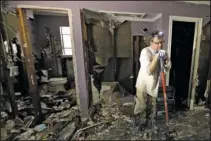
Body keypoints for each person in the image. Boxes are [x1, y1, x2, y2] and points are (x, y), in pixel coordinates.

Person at [133, 31, 171, 131]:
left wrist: (166, 60)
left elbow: (167, 67)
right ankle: (139, 126)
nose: (160, 45)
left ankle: (150, 125)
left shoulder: (163, 52)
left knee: (152, 107)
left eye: (161, 42)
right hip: (143, 85)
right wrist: (156, 57)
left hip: (154, 85)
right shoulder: (145, 52)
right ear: (151, 42)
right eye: (157, 42)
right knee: (141, 106)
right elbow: (149, 70)